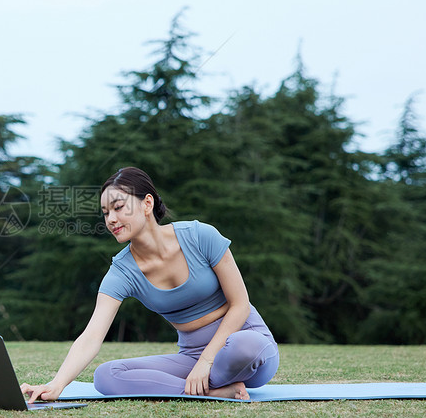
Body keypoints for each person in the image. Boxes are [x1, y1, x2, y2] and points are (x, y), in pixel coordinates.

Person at [21, 167, 279, 401]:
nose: (111, 219)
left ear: (147, 203)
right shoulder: (122, 271)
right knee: (107, 375)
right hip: (190, 358)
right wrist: (56, 384)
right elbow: (91, 336)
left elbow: (240, 304)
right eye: (105, 212)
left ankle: (201, 384)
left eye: (119, 207)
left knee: (246, 347)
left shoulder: (201, 236)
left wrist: (207, 361)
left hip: (244, 349)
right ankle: (213, 392)